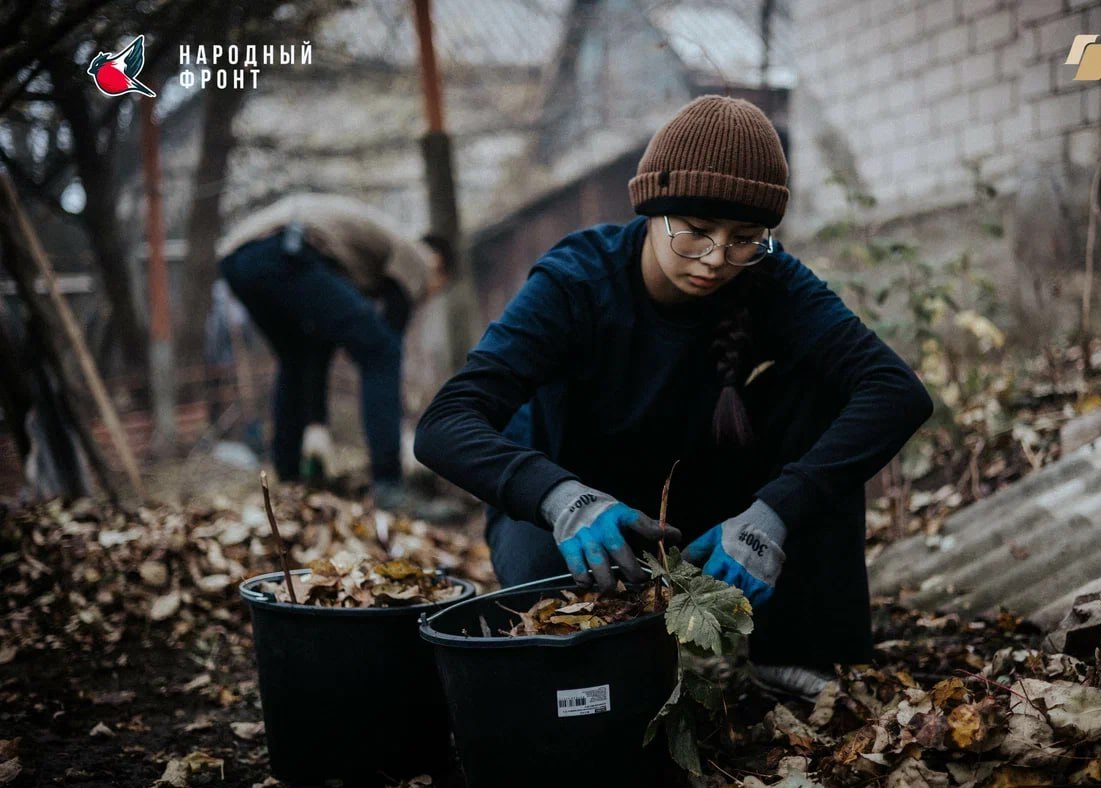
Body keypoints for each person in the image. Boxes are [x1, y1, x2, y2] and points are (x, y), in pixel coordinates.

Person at [414, 96, 932, 695]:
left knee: (826, 391)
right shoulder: (575, 282)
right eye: (695, 232)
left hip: (699, 514)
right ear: (652, 211)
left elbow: (896, 391)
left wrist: (777, 513)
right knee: (561, 638)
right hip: (575, 515)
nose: (717, 259)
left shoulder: (770, 276)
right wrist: (560, 499)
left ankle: (797, 654)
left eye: (744, 238)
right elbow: (445, 422)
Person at [217, 194, 449, 515]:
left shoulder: (352, 263)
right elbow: (385, 345)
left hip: (238, 258)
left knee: (296, 356)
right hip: (285, 248)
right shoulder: (419, 256)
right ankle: (389, 487)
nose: (427, 294)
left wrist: (317, 425)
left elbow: (320, 345)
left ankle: (290, 478)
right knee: (381, 351)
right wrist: (400, 434)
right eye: (437, 288)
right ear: (439, 269)